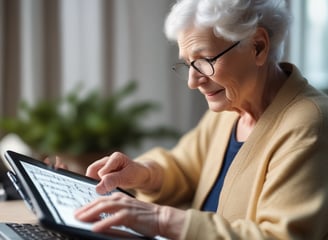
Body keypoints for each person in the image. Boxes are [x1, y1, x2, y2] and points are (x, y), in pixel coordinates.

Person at [73, 0, 328, 239]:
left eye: (205, 60)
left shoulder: (309, 123)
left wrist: (162, 219)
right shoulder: (229, 112)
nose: (192, 81)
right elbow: (184, 167)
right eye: (188, 64)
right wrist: (144, 174)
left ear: (257, 46)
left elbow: (278, 236)